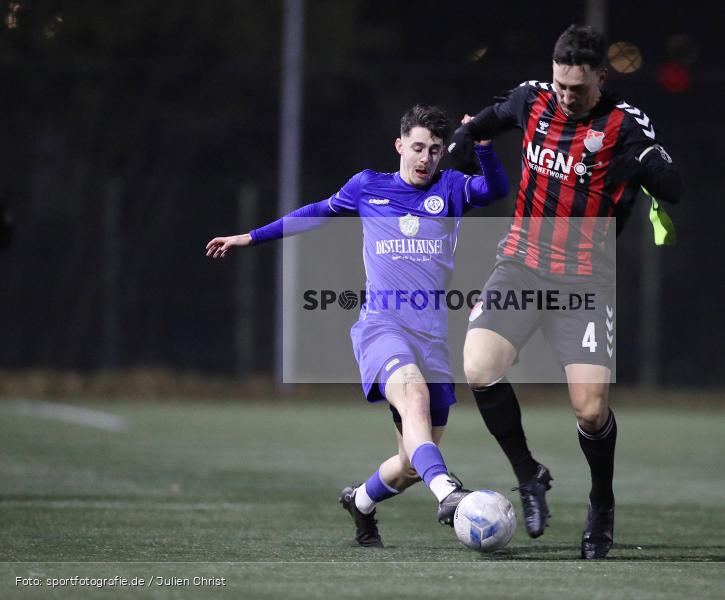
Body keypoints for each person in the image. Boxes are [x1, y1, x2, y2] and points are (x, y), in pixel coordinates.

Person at [206, 105, 509, 546]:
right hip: (381, 327)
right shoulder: (369, 186)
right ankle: (447, 493)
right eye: (418, 147)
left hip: (432, 338)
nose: (426, 158)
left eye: (436, 150)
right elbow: (316, 212)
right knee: (414, 397)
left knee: (409, 463)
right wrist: (250, 237)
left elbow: (496, 189)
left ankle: (361, 502)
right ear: (400, 145)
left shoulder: (451, 187)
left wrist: (483, 147)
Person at [448, 25, 682, 559]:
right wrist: (464, 140)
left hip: (585, 282)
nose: (566, 96)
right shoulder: (533, 98)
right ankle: (529, 475)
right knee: (479, 366)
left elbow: (674, 186)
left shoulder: (626, 124)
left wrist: (649, 168)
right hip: (522, 266)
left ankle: (601, 503)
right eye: (560, 84)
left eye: (577, 87)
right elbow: (486, 121)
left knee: (591, 411)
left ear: (601, 77)